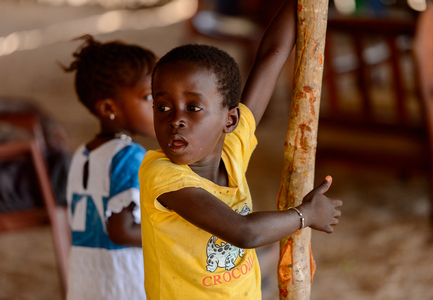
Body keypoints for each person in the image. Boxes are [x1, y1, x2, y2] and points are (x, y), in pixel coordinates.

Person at [139, 0, 342, 298]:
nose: (176, 120)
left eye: (193, 107)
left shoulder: (232, 149)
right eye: (163, 107)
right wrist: (304, 216)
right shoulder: (162, 175)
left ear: (230, 119)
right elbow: (245, 232)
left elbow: (273, 53)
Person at [62, 35, 157, 300]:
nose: (160, 105)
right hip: (123, 281)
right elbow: (122, 230)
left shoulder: (83, 153)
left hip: (86, 278)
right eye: (148, 96)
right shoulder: (130, 157)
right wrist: (173, 233)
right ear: (108, 108)